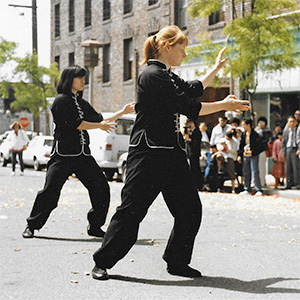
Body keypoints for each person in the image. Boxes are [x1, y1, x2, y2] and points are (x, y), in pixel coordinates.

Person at [91, 25, 249, 280]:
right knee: (131, 211)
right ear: (168, 47)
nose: (185, 55)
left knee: (190, 210)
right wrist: (225, 104)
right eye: (182, 49)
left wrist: (216, 69)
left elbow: (193, 89)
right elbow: (188, 106)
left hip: (172, 155)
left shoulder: (167, 75)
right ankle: (103, 262)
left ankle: (176, 261)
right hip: (148, 154)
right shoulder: (152, 76)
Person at [22, 66, 135, 239]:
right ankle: (32, 225)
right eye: (80, 78)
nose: (83, 81)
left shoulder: (81, 102)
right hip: (62, 156)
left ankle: (95, 225)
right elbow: (77, 124)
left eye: (84, 78)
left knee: (101, 188)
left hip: (83, 156)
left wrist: (122, 112)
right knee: (50, 193)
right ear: (69, 80)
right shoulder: (60, 100)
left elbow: (100, 119)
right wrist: (99, 126)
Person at [237, 118, 265, 196]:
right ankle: (247, 188)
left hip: (253, 155)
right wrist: (239, 155)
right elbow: (241, 145)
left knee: (255, 171)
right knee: (246, 171)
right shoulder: (243, 134)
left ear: (248, 125)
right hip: (245, 155)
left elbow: (261, 146)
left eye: (243, 124)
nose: (242, 126)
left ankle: (258, 189)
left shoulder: (255, 134)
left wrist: (253, 152)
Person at [184, 119, 204, 190]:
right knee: (192, 168)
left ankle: (199, 184)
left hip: (195, 152)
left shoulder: (197, 132)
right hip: (190, 152)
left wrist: (189, 139)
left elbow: (196, 142)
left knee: (195, 168)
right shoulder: (190, 131)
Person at [282, 116, 299, 189]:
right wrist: (283, 152)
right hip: (288, 149)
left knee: (296, 167)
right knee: (287, 167)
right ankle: (288, 184)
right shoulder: (286, 131)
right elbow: (283, 142)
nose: (291, 123)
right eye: (290, 122)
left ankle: (297, 183)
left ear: (296, 122)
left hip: (295, 149)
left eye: (293, 122)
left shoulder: (298, 130)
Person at [255, 116, 272, 186]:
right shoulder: (255, 130)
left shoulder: (267, 131)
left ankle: (261, 183)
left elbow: (265, 141)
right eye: (260, 122)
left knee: (262, 167)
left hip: (262, 150)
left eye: (262, 123)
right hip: (255, 151)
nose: (261, 124)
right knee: (255, 167)